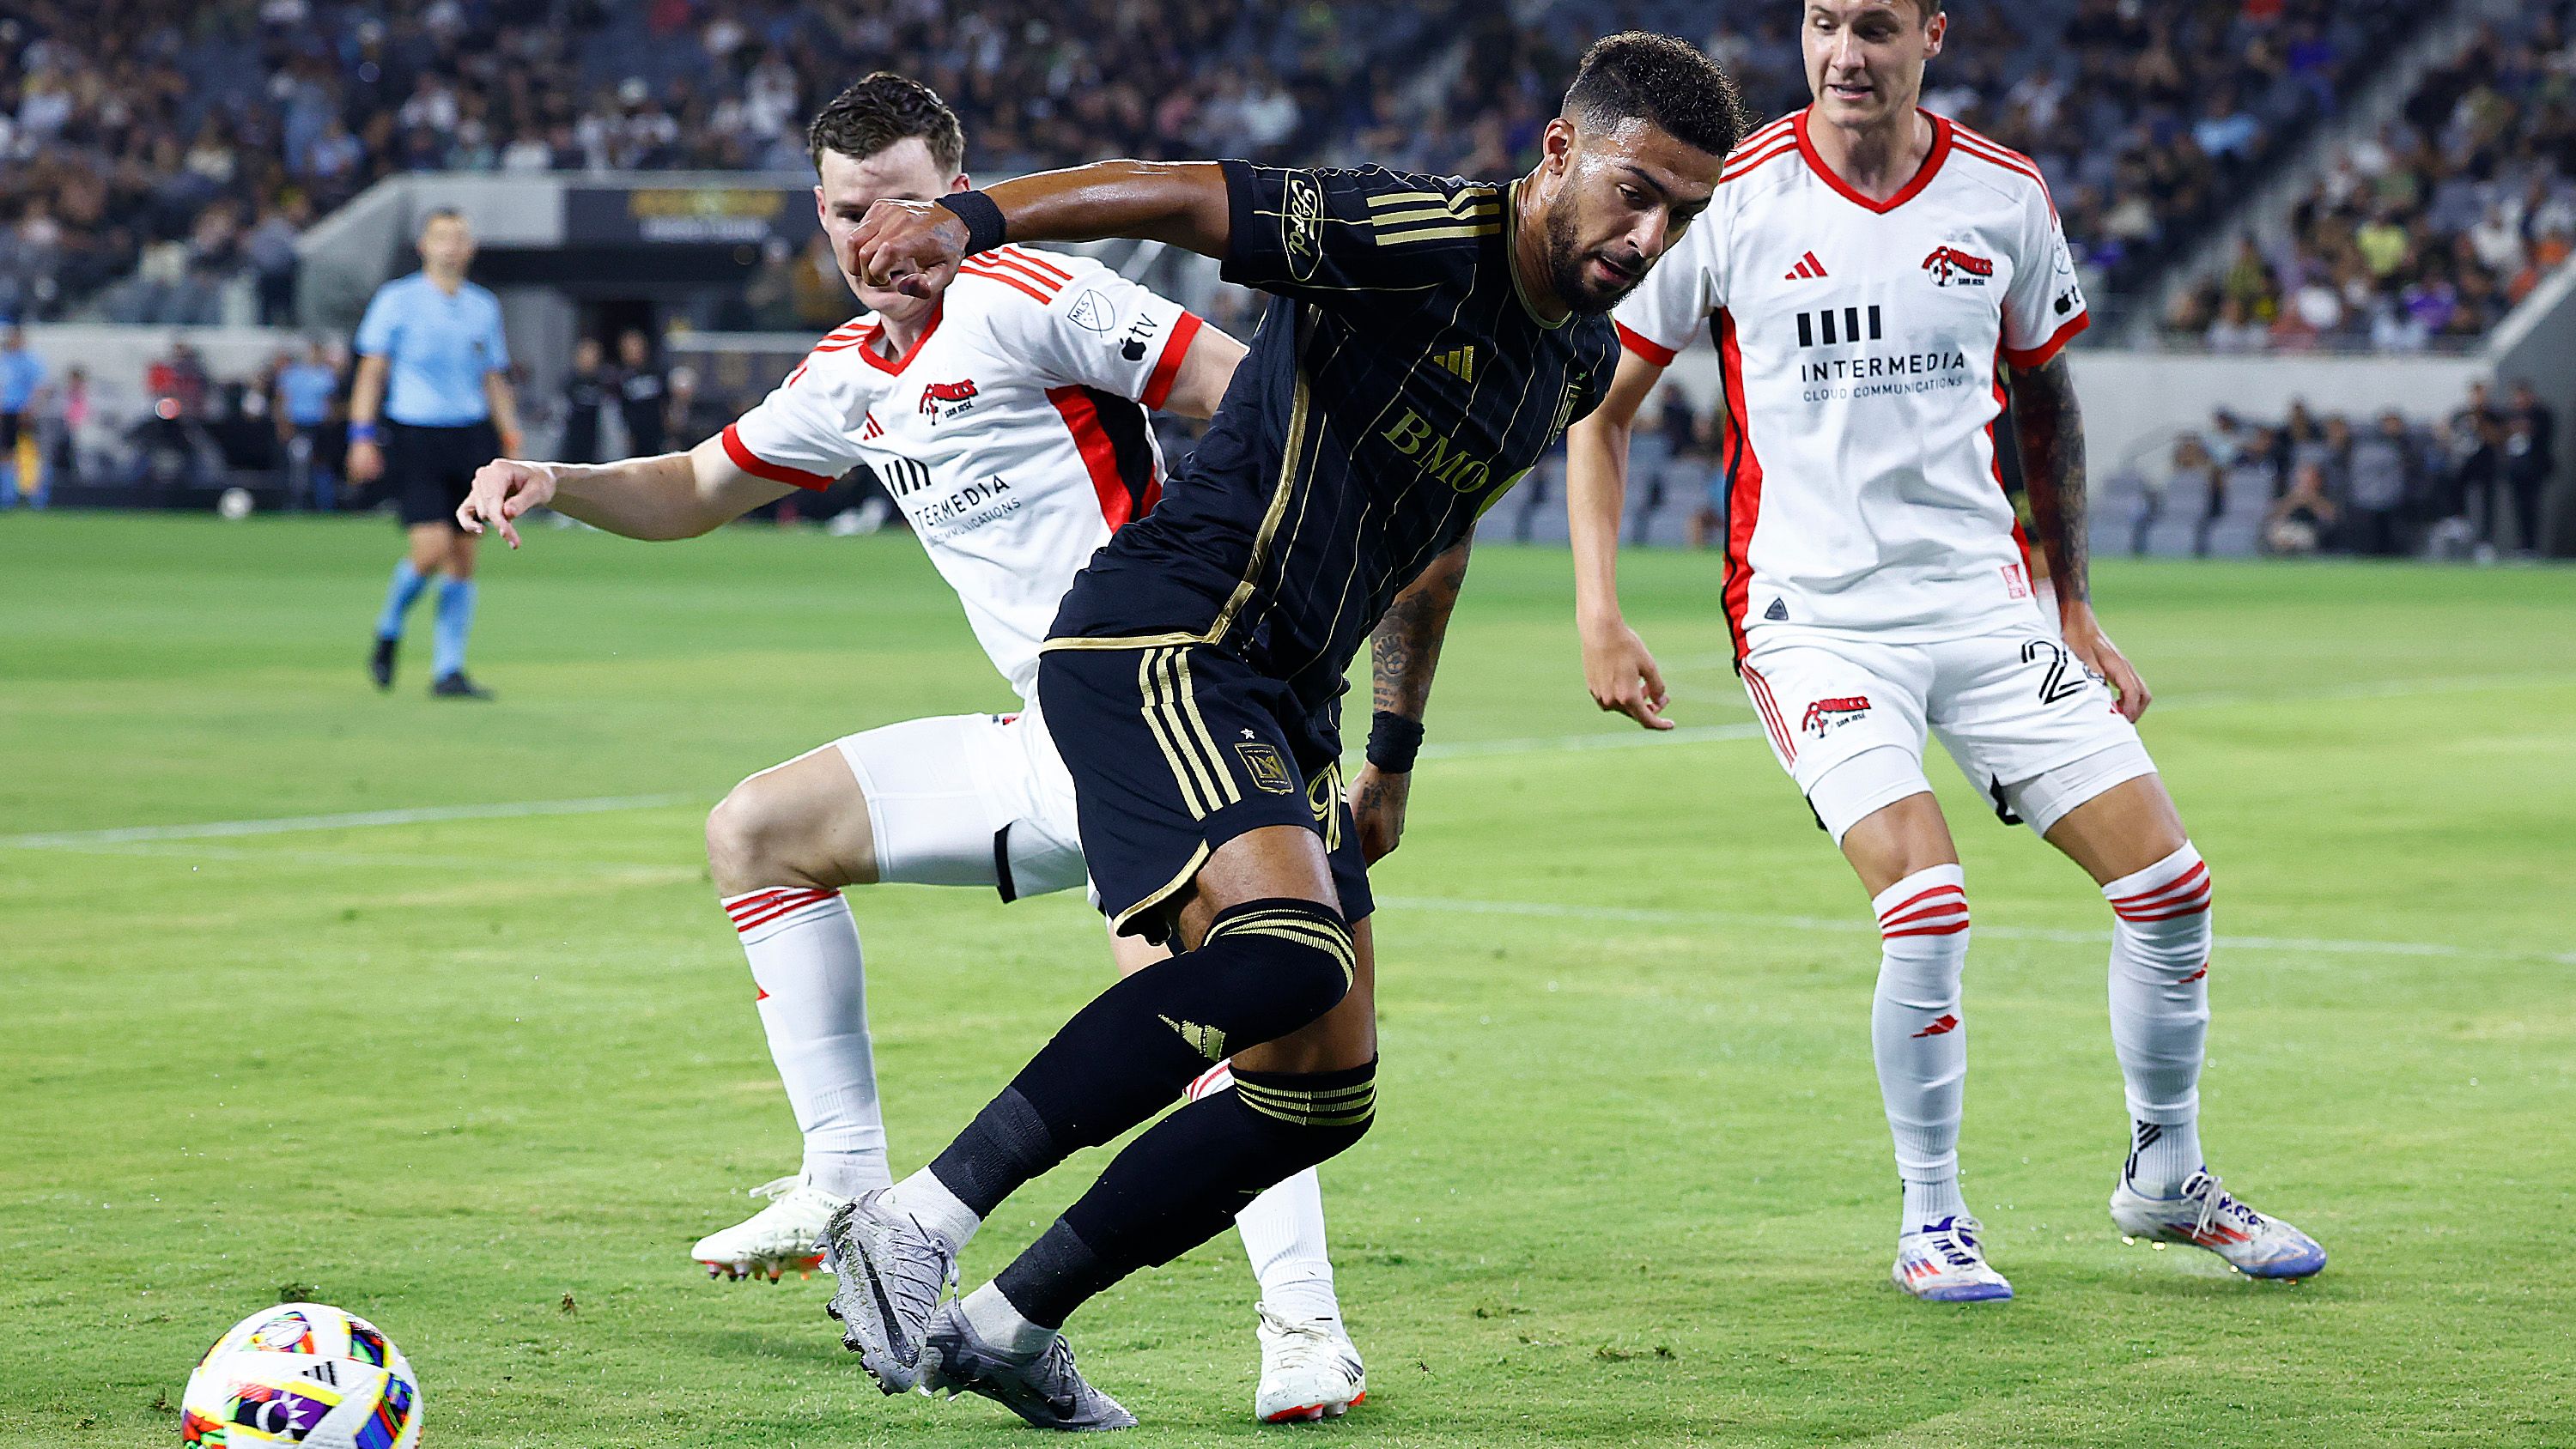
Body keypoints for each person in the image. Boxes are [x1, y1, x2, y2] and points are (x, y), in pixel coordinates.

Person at [823, 31, 1741, 1430]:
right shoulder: (1421, 231)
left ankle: (1007, 1326)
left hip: (1290, 701)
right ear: (1560, 152)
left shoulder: (1573, 361)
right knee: (1285, 956)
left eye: (1683, 213)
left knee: (1323, 1085)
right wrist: (975, 216)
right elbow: (1186, 192)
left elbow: (1438, 541)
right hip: (1172, 635)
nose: (1651, 235)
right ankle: (914, 1218)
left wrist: (1392, 751)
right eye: (1636, 192)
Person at [454, 73, 1373, 1427]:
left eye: (901, 204)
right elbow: (698, 485)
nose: (873, 236)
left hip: (1162, 720)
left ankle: (1304, 1330)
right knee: (757, 830)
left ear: (958, 196)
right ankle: (844, 1187)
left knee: (1222, 1023)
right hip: (1043, 736)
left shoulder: (1032, 293)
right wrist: (560, 483)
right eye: (845, 212)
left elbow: (1248, 394)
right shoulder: (847, 374)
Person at [1567, 0, 2324, 1305]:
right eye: (1822, 24)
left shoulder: (2003, 195)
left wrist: (2073, 606)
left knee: (2171, 888)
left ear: (1932, 35)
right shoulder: (1734, 198)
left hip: (1985, 606)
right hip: (1813, 616)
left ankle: (2166, 1176)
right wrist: (1601, 609)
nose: (1844, 54)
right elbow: (1602, 411)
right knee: (1926, 904)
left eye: (1874, 26)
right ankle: (1933, 1217)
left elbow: (2047, 402)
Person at [349, 209, 523, 698]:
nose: (451, 245)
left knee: (464, 556)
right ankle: (389, 628)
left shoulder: (482, 306)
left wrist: (511, 435)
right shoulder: (397, 300)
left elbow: (493, 377)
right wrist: (361, 435)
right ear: (424, 245)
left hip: (471, 437)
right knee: (430, 550)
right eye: (442, 236)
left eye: (459, 237)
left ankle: (449, 670)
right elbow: (371, 372)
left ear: (470, 248)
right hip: (415, 434)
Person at [274, 340, 343, 511]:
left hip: (319, 426)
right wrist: (283, 425)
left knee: (320, 466)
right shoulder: (292, 374)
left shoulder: (326, 375)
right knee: (298, 465)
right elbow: (281, 400)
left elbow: (330, 403)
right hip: (298, 425)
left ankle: (323, 504)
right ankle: (296, 503)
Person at [2503, 379, 2555, 557]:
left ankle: (2532, 546)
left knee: (2532, 507)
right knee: (2518, 509)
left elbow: (2545, 438)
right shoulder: (2510, 415)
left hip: (2534, 470)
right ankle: (2523, 546)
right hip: (2515, 470)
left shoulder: (2541, 413)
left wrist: (2528, 428)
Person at [0, 324, 46, 508]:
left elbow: (40, 386)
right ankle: (8, 496)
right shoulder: (5, 359)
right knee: (6, 452)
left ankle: (35, 496)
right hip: (7, 411)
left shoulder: (29, 361)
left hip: (24, 412)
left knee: (29, 452)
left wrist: (31, 407)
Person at [615, 328, 668, 458]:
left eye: (637, 346)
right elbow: (619, 408)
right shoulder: (620, 377)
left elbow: (665, 401)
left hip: (656, 433)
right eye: (629, 348)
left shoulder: (656, 372)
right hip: (633, 435)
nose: (634, 351)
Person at [557, 336, 610, 465]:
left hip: (595, 444)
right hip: (570, 443)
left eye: (593, 356)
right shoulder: (569, 383)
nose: (588, 360)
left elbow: (608, 417)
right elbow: (558, 413)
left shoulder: (603, 383)